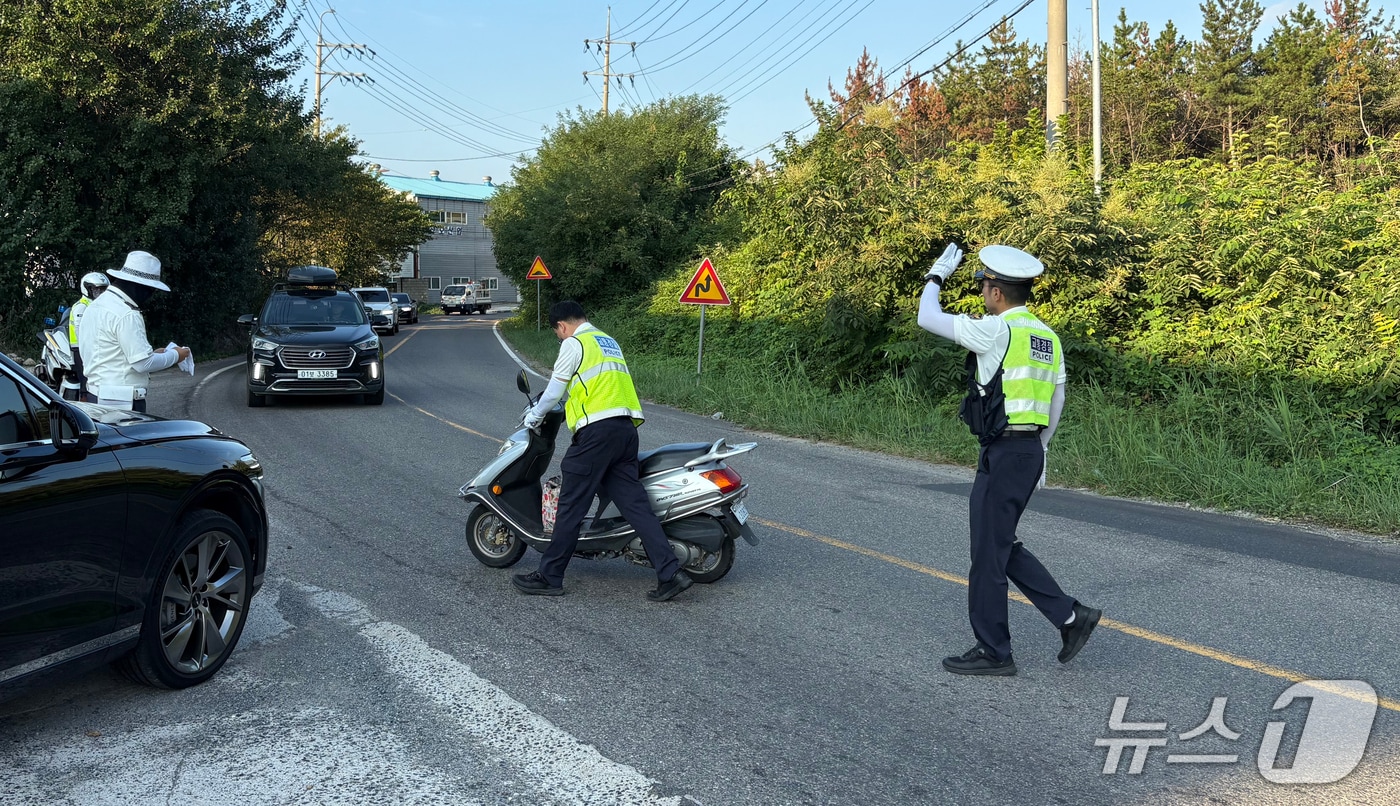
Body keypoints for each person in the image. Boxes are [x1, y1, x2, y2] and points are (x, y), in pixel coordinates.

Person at [917, 242, 1101, 676]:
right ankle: (1071, 618)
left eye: (984, 286)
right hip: (1028, 450)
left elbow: (927, 316)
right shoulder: (1047, 337)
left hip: (1002, 453)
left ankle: (994, 650)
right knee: (999, 543)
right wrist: (1042, 449)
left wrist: (936, 275)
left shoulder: (997, 330)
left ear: (996, 292)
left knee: (986, 552)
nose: (982, 293)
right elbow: (1057, 399)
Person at [512, 300, 693, 602]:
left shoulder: (574, 343)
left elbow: (555, 390)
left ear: (562, 326)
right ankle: (670, 573)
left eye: (557, 333)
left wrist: (534, 415)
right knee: (636, 507)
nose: (559, 338)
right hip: (625, 431)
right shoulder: (608, 341)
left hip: (596, 434)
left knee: (571, 505)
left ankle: (549, 576)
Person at [77, 250, 191, 413]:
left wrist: (155, 354)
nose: (151, 295)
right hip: (122, 402)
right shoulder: (127, 313)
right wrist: (176, 355)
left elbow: (110, 355)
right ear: (141, 287)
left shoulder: (95, 306)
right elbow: (142, 364)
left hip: (95, 396)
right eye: (151, 289)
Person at [59, 272, 111, 400]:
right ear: (87, 289)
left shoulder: (100, 306)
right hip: (81, 349)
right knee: (86, 380)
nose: (99, 292)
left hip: (95, 348)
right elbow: (80, 331)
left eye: (103, 289)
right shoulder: (81, 306)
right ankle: (85, 405)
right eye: (95, 288)